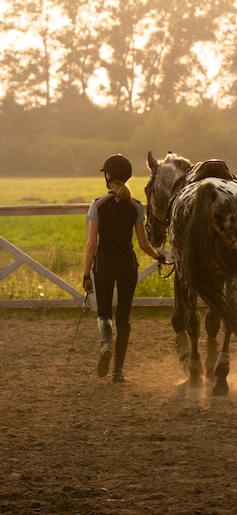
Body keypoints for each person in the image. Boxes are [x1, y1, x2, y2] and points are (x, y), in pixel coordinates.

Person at [83, 153, 164, 382]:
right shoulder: (136, 206)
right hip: (128, 265)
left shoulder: (98, 204)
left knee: (104, 313)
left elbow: (91, 245)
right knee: (124, 317)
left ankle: (106, 342)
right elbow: (143, 244)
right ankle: (118, 372)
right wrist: (159, 257)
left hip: (104, 264)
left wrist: (85, 273)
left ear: (108, 176)